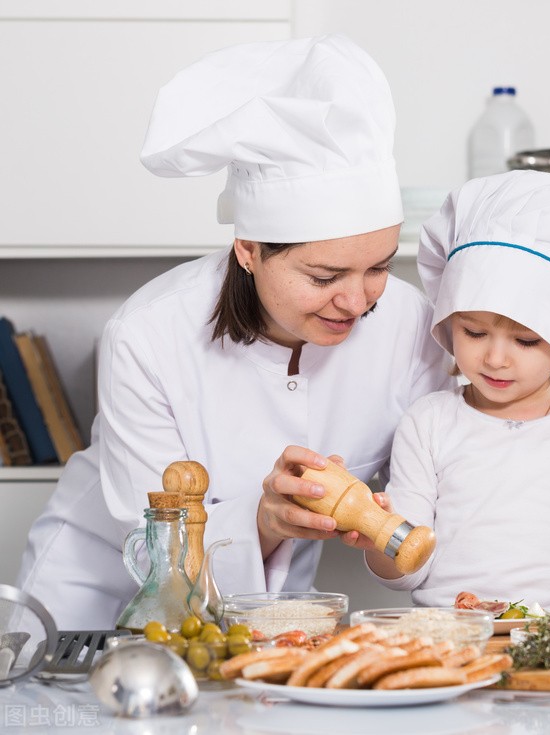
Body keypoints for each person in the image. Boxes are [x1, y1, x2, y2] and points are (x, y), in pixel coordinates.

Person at [16, 35, 451, 629]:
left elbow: (421, 503)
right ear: (249, 249)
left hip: (274, 616)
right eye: (324, 275)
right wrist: (264, 519)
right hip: (96, 597)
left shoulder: (414, 328)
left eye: (378, 266)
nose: (357, 301)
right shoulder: (147, 336)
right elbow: (153, 548)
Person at [349, 170, 550, 627]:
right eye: (474, 332)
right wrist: (381, 542)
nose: (496, 358)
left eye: (526, 340)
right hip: (448, 636)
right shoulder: (427, 422)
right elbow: (408, 571)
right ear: (448, 324)